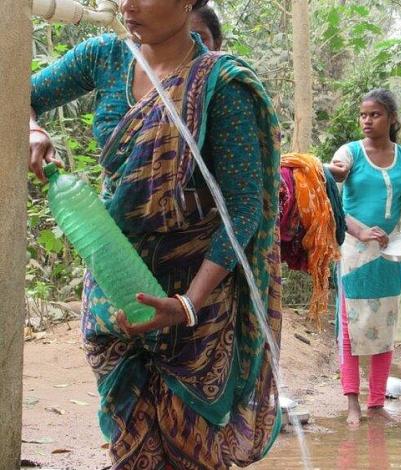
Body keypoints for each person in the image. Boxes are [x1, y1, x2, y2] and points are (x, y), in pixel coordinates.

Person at [29, 0, 282, 468]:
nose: (127, 5)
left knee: (193, 450)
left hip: (195, 295)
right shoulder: (105, 57)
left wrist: (188, 304)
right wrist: (32, 130)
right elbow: (19, 94)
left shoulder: (220, 85)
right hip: (115, 281)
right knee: (130, 444)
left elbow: (243, 208)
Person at [329, 88, 401, 426]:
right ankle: (352, 404)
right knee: (350, 329)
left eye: (374, 114)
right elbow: (335, 197)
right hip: (353, 254)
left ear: (391, 119)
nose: (366, 120)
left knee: (384, 331)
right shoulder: (349, 153)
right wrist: (361, 231)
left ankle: (376, 402)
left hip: (391, 255)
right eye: (363, 114)